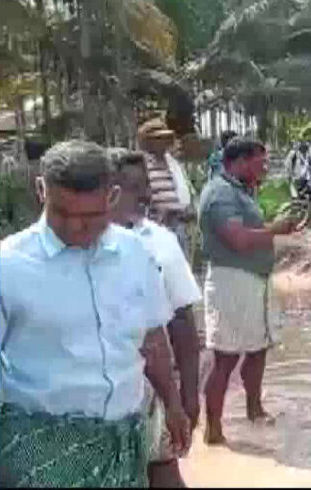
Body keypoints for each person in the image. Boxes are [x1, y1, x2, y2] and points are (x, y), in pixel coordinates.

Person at [0, 140, 190, 487]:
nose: (76, 228)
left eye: (91, 217)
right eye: (62, 214)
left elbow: (152, 339)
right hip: (39, 451)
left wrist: (172, 405)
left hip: (126, 442)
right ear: (42, 191)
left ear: (112, 197)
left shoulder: (135, 254)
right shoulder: (8, 266)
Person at [110, 149, 202, 488]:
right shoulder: (72, 248)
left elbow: (182, 322)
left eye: (147, 185)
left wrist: (188, 395)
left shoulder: (161, 242)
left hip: (153, 393)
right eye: (134, 187)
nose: (146, 195)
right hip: (94, 405)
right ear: (109, 190)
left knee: (165, 476)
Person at [199, 137, 297, 445]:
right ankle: (213, 429)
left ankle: (255, 410)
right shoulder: (220, 193)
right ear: (239, 162)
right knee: (225, 357)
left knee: (258, 348)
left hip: (253, 280)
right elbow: (238, 240)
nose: (264, 168)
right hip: (232, 282)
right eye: (259, 162)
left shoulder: (240, 190)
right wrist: (275, 229)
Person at [137, 118, 196, 255]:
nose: (163, 142)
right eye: (158, 139)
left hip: (178, 226)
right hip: (155, 228)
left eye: (165, 138)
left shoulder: (173, 164)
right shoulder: (143, 165)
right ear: (148, 142)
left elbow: (184, 193)